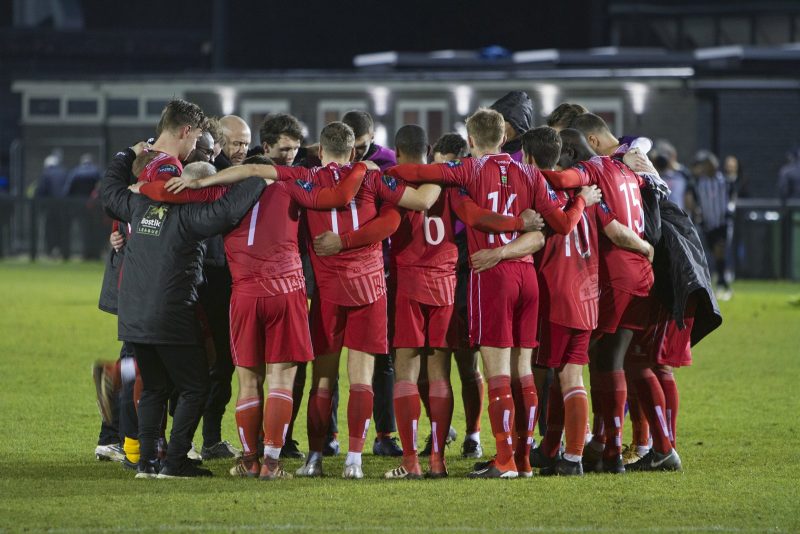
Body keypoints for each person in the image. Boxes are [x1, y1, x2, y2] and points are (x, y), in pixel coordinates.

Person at [387, 109, 599, 478]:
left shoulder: (468, 170)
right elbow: (563, 223)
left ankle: (504, 459)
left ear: (470, 140)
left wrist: (377, 172)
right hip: (527, 276)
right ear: (504, 138)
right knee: (524, 371)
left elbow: (416, 173)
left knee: (497, 371)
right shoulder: (530, 173)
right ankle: (524, 458)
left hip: (492, 275)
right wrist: (582, 200)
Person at [275, 121, 439, 479]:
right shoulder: (374, 178)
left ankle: (315, 458)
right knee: (361, 379)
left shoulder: (305, 179)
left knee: (323, 379)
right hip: (369, 288)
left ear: (320, 151)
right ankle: (354, 460)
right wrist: (446, 171)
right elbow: (418, 203)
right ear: (353, 152)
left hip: (327, 292)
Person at [539, 125, 657, 474]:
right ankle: (610, 447)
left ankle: (566, 449)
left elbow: (608, 225)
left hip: (612, 276)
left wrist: (526, 171)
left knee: (572, 364)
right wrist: (646, 247)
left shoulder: (589, 172)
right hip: (640, 276)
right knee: (613, 361)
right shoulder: (625, 168)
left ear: (574, 154)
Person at [688, 150, 732, 300]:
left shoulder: (724, 181)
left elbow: (732, 196)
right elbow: (693, 199)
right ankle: (718, 279)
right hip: (708, 222)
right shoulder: (699, 183)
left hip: (721, 222)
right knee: (712, 252)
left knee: (720, 249)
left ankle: (722, 281)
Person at [35, 152, 69, 259]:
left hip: (50, 207)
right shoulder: (64, 172)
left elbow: (41, 191)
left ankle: (50, 251)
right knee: (62, 229)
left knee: (50, 229)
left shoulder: (46, 174)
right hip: (64, 206)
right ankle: (63, 251)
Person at [489, 91, 533, 162]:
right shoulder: (489, 150)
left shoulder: (533, 152)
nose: (498, 127)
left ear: (519, 123)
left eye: (504, 121)